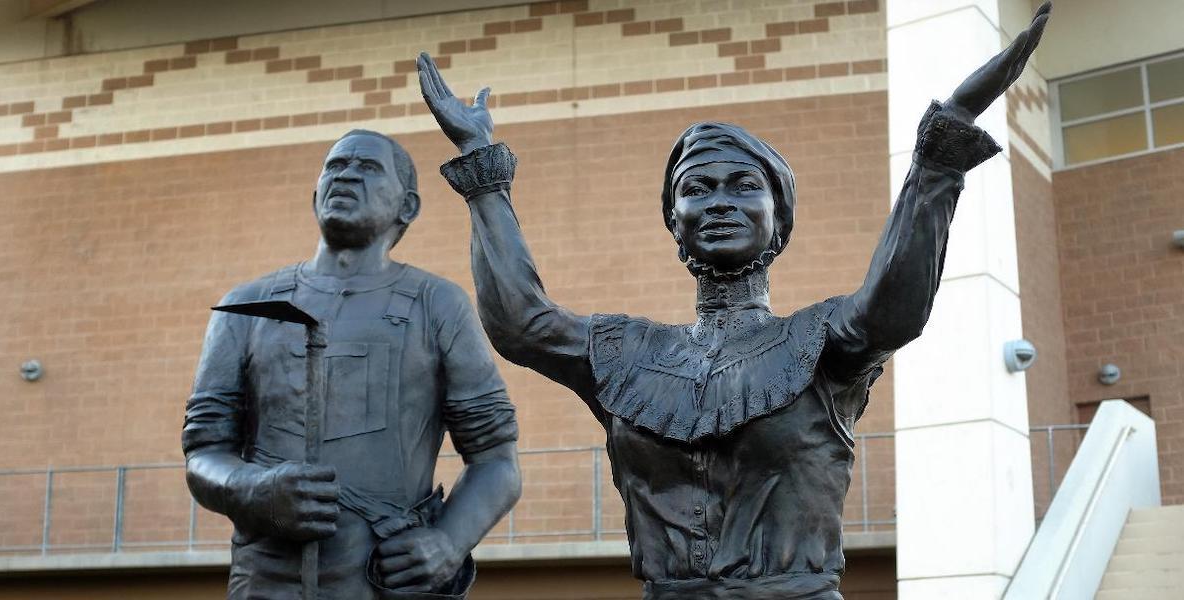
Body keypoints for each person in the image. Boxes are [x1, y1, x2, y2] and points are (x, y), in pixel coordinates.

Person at [417, 3, 1050, 598]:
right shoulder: (623, 352)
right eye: (697, 188)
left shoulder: (826, 339)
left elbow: (895, 306)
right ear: (676, 219)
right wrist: (482, 170)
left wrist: (943, 149)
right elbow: (521, 322)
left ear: (780, 218)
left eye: (744, 185)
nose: (719, 200)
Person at [182, 129, 521, 599]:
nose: (346, 174)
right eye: (336, 166)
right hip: (267, 581)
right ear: (315, 194)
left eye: (368, 167)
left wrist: (448, 541)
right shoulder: (247, 306)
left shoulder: (437, 304)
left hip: (386, 581)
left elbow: (497, 461)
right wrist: (255, 489)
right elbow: (203, 454)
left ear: (407, 207)